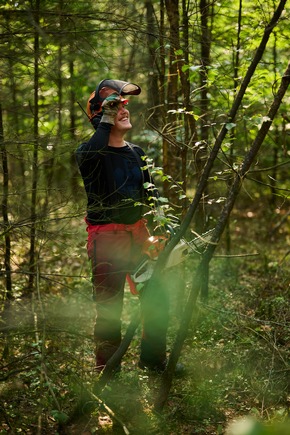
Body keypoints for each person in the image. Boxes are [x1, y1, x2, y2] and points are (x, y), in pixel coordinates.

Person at [75, 79, 169, 373]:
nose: (123, 111)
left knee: (157, 298)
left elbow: (150, 195)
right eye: (115, 108)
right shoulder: (90, 153)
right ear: (101, 117)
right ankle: (107, 372)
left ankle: (153, 363)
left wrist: (161, 230)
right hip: (107, 241)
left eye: (124, 106)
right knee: (109, 309)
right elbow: (92, 152)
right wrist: (105, 115)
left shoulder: (137, 152)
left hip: (139, 236)